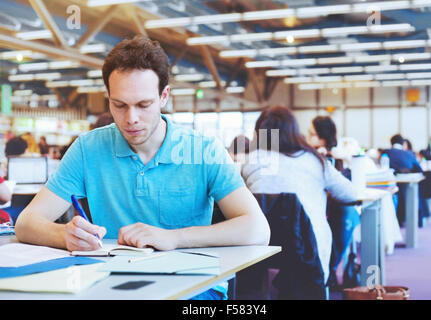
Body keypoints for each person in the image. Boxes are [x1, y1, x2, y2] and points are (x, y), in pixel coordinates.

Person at [14, 35, 270, 300]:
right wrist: (64, 234)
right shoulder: (87, 149)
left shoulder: (203, 149)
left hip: (193, 286)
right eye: (119, 105)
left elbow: (258, 229)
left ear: (164, 96)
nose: (131, 119)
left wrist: (174, 238)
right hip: (111, 285)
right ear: (108, 97)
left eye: (143, 105)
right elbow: (26, 223)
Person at [241, 106, 357, 285]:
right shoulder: (314, 160)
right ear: (294, 131)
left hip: (261, 249)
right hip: (307, 249)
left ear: (259, 133)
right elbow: (350, 194)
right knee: (347, 216)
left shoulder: (251, 160)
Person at [308, 115, 360, 289]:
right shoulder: (306, 156)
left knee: (347, 214)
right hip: (314, 207)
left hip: (335, 206)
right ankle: (325, 269)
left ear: (322, 136)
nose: (308, 137)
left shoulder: (338, 155)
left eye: (312, 134)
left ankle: (330, 268)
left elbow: (345, 189)